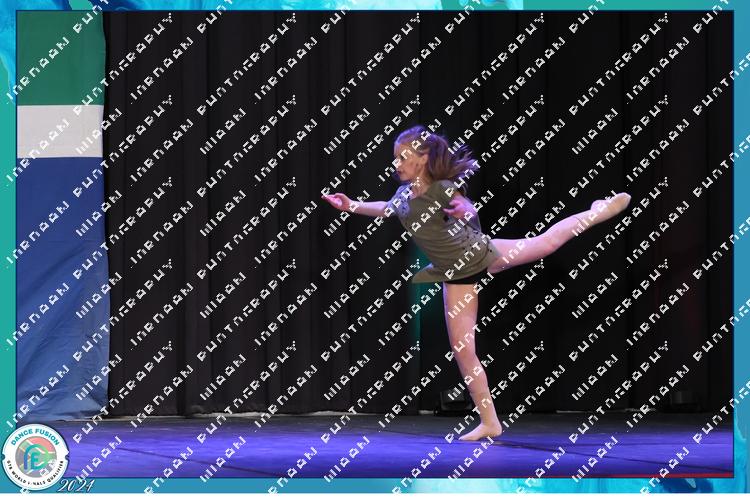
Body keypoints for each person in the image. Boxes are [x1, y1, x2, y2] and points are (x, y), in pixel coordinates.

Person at [321, 124, 631, 441]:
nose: (396, 164)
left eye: (403, 157)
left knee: (547, 243)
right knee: (463, 351)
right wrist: (351, 205)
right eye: (395, 158)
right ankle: (490, 422)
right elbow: (386, 209)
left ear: (423, 158)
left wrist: (465, 210)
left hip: (480, 253)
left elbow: (466, 208)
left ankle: (598, 211)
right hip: (455, 274)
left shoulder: (442, 189)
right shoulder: (404, 195)